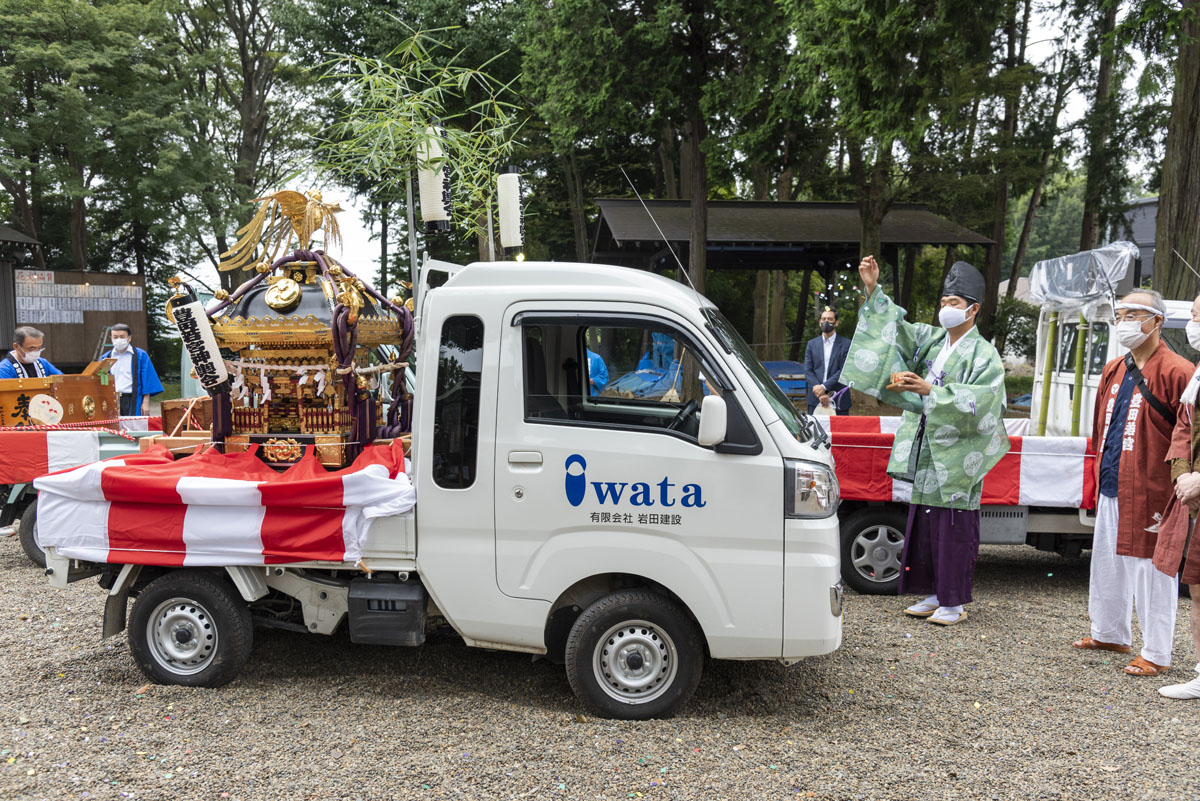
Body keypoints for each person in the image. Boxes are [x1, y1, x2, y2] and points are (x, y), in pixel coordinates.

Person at [841, 256, 1009, 626]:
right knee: (927, 522)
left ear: (973, 309)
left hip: (958, 452)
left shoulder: (984, 354)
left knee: (954, 525)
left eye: (955, 303)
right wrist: (873, 289)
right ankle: (933, 593)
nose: (946, 309)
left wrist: (931, 390)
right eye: (944, 302)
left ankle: (954, 602)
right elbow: (896, 329)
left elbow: (985, 402)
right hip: (929, 445)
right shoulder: (933, 340)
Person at [1072, 290, 1191, 678]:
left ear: (1156, 321)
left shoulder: (1178, 371)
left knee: (1151, 568)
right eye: (1120, 314)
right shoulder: (1114, 368)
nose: (1124, 321)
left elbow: (1189, 432)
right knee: (1108, 560)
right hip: (1112, 476)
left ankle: (1156, 651)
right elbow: (1099, 427)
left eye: (1134, 314)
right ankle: (1109, 632)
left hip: (1154, 484)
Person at [1151, 292, 1200, 698]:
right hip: (1194, 496)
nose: (1192, 325)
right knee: (1198, 587)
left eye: (1198, 316)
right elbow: (1183, 429)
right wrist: (1184, 475)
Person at [100, 324, 163, 416]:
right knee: (113, 428)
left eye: (122, 337)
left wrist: (145, 402)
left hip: (133, 399)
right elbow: (100, 380)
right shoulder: (106, 358)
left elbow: (147, 379)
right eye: (115, 337)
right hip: (112, 399)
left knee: (135, 427)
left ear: (129, 338)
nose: (118, 340)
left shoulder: (140, 355)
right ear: (111, 338)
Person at [803, 306, 852, 415]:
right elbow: (808, 370)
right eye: (824, 319)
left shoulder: (846, 344)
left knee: (839, 432)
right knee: (814, 431)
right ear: (820, 322)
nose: (826, 321)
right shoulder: (812, 344)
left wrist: (824, 387)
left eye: (830, 319)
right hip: (815, 399)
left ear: (836, 323)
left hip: (839, 399)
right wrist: (819, 392)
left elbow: (844, 370)